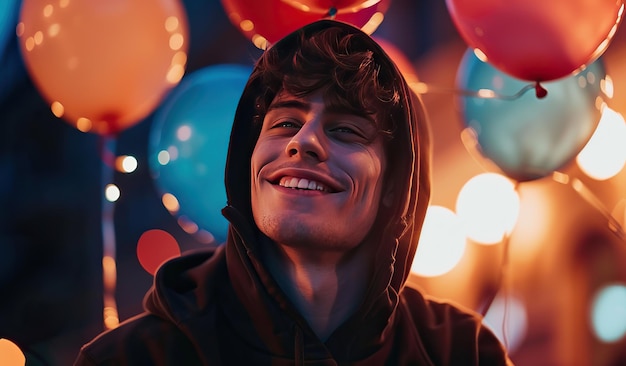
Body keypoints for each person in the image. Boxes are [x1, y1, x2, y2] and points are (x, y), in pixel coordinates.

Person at [74, 19, 513, 365]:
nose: (302, 141)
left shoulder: (463, 353)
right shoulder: (131, 359)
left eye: (344, 130)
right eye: (284, 122)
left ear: (395, 186)